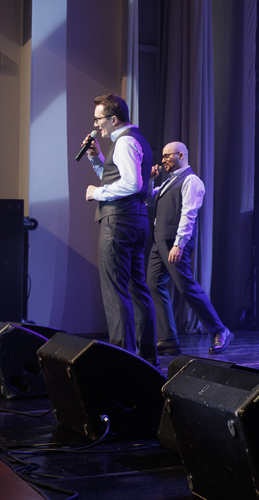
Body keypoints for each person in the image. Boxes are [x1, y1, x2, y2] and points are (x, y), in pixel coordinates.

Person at [82, 94, 157, 362]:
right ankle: (146, 358)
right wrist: (96, 157)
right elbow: (116, 178)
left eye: (98, 119)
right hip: (135, 219)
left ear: (114, 119)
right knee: (137, 289)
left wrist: (96, 193)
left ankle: (123, 361)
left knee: (115, 291)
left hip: (119, 222)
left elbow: (131, 184)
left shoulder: (124, 142)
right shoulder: (136, 140)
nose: (96, 125)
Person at [147, 142, 232, 356]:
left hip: (174, 242)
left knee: (186, 287)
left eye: (167, 156)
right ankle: (168, 339)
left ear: (181, 155)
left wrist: (179, 244)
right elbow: (149, 199)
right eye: (163, 156)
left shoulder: (191, 181)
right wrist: (149, 180)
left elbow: (189, 214)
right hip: (159, 242)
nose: (163, 160)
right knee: (154, 283)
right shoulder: (169, 182)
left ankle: (219, 329)